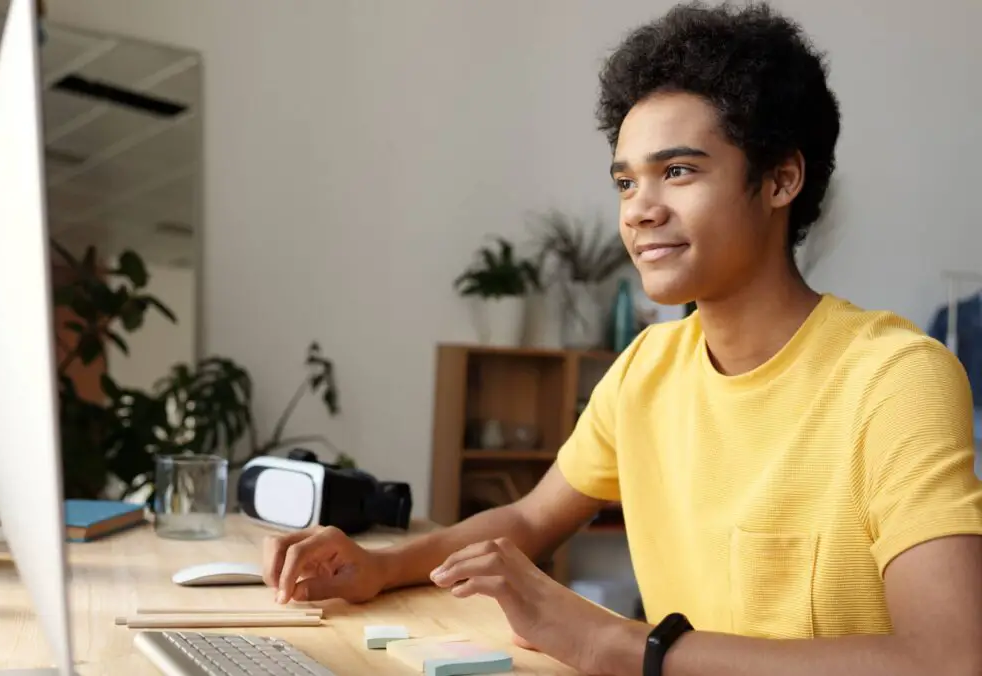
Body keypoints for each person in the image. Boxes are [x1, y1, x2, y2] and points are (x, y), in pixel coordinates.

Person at [263, 3, 982, 675]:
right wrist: (379, 566)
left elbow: (950, 658)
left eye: (677, 171)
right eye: (625, 183)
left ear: (780, 180)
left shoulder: (895, 378)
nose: (640, 211)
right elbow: (528, 517)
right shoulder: (647, 366)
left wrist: (621, 644)